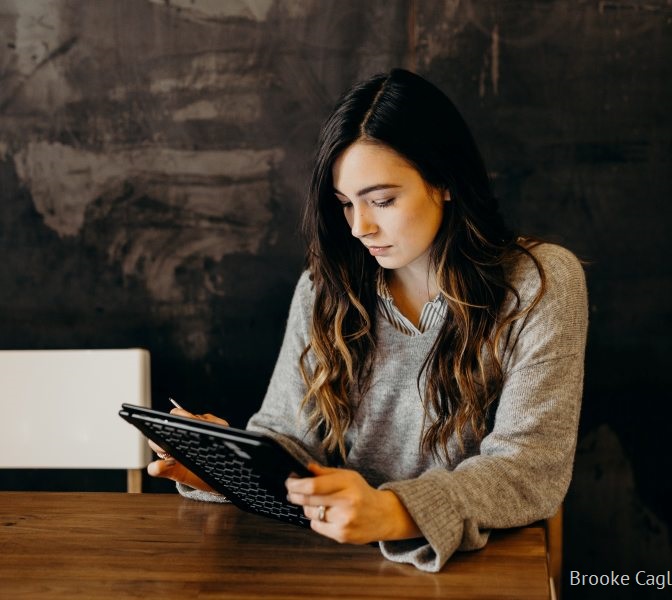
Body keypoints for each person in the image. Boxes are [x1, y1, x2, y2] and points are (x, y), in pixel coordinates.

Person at [148, 68, 588, 572]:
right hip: (339, 566)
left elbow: (530, 467)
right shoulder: (323, 288)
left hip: (481, 569)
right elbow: (291, 441)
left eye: (382, 200)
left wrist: (393, 511)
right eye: (345, 205)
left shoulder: (539, 283)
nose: (360, 227)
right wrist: (222, 466)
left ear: (444, 181)